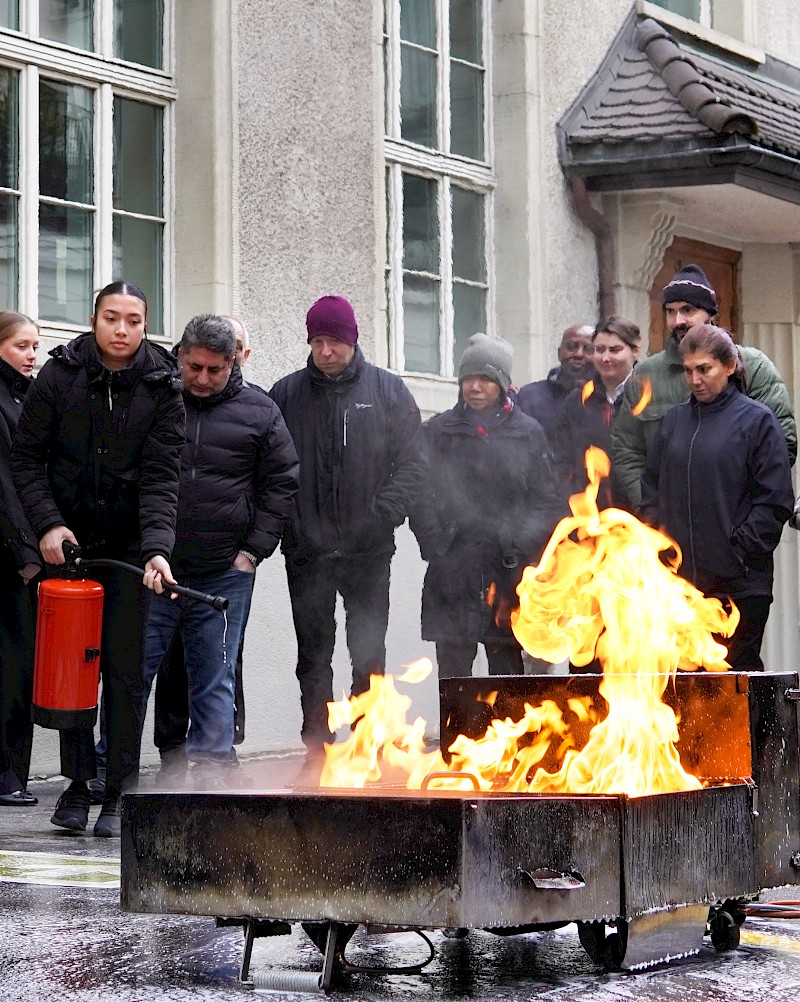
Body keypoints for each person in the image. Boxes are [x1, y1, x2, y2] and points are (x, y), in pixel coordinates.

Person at [10, 280, 185, 837]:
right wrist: (48, 525)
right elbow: (28, 460)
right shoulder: (60, 376)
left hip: (131, 551)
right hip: (69, 546)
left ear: (145, 325)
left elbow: (162, 478)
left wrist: (158, 550)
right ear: (94, 320)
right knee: (74, 668)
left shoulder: (163, 386)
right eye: (112, 318)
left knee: (126, 672)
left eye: (134, 320)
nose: (122, 330)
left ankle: (119, 791)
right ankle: (78, 786)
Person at [142, 313, 299, 785]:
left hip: (223, 571)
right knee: (134, 673)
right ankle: (113, 774)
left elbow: (282, 483)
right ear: (180, 356)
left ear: (235, 362)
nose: (203, 379)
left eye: (215, 369)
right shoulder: (156, 399)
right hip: (155, 565)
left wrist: (252, 552)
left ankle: (211, 783)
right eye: (194, 368)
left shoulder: (261, 411)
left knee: (216, 676)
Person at [269, 295, 425, 768]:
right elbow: (271, 466)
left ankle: (366, 744)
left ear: (352, 340)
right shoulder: (287, 394)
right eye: (317, 341)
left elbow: (414, 464)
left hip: (368, 552)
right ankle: (317, 745)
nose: (326, 351)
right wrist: (292, 525)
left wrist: (384, 513)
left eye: (334, 341)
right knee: (313, 655)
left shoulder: (388, 392)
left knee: (367, 654)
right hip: (307, 552)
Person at [410, 332, 564, 679]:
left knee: (507, 674)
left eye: (485, 379)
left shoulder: (528, 433)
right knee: (454, 676)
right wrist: (436, 543)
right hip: (453, 570)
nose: (475, 387)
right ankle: (458, 734)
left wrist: (519, 542)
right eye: (468, 379)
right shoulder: (439, 431)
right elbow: (419, 494)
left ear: (503, 384)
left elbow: (547, 500)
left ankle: (507, 735)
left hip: (508, 572)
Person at [641, 324, 793, 671]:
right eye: (688, 370)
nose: (695, 380)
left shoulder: (757, 421)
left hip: (739, 585)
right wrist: (658, 545)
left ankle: (763, 728)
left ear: (728, 367)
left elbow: (775, 498)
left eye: (704, 369)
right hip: (680, 585)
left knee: (736, 681)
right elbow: (650, 487)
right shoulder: (673, 422)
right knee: (686, 687)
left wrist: (739, 550)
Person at [613, 264, 796, 510]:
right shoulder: (645, 375)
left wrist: (745, 520)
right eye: (670, 311)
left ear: (710, 314)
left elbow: (781, 445)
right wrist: (651, 511)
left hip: (734, 529)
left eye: (688, 310)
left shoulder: (752, 367)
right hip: (667, 530)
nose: (678, 321)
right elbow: (627, 450)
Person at [0, 312, 42, 807]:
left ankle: (14, 772)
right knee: (11, 664)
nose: (33, 354)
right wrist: (24, 554)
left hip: (26, 556)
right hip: (11, 560)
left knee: (22, 665)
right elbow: (6, 486)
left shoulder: (26, 398)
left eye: (35, 346)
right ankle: (6, 774)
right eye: (22, 346)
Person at [550, 316, 640, 510]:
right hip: (588, 516)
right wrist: (572, 502)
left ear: (635, 351)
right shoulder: (577, 401)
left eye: (615, 350)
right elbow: (561, 459)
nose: (606, 358)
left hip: (638, 518)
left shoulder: (647, 398)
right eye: (599, 350)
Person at [516, 324, 594, 442]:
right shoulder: (529, 396)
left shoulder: (605, 399)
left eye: (588, 349)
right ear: (559, 353)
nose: (579, 354)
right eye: (571, 346)